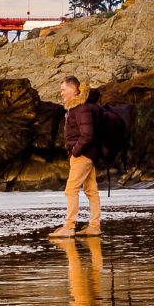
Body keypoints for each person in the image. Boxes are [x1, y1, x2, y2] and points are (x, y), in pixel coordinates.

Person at [52, 75, 103, 237]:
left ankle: (69, 226)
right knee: (91, 190)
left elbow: (87, 135)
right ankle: (94, 226)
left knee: (71, 189)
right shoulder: (76, 108)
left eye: (63, 89)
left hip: (82, 155)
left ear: (74, 90)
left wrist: (74, 151)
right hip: (88, 154)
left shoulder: (81, 108)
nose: (61, 93)